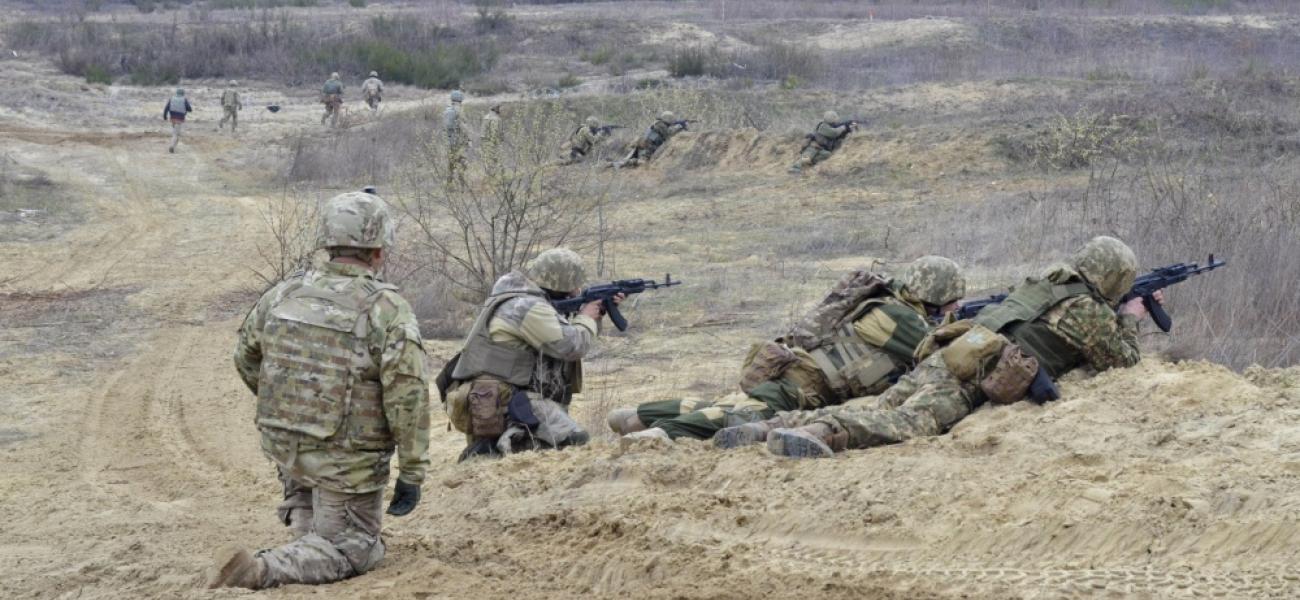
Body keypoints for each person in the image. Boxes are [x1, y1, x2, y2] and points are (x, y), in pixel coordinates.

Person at [727, 236, 1156, 459]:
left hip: (953, 348)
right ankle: (823, 433)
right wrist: (1130, 319)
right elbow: (1123, 360)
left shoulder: (1047, 282)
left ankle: (771, 427)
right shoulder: (1089, 309)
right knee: (913, 421)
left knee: (884, 405)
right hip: (976, 370)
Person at [212, 191, 431, 589]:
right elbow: (408, 397)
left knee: (318, 516)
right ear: (379, 251)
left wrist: (290, 408)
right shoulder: (386, 308)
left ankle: (306, 523)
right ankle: (261, 570)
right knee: (356, 550)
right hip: (346, 465)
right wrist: (413, 470)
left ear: (327, 243)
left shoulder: (283, 294)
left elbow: (246, 358)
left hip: (288, 450)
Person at [610, 256, 966, 442]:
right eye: (951, 301)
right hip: (804, 386)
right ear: (937, 295)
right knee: (744, 415)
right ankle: (659, 433)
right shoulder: (901, 318)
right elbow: (937, 353)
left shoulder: (888, 306)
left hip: (797, 374)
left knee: (733, 405)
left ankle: (642, 414)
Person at [442, 248, 621, 461]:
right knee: (574, 440)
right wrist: (586, 317)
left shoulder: (523, 298)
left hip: (507, 396)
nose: (577, 290)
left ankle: (495, 449)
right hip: (506, 398)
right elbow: (571, 345)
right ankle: (493, 448)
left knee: (553, 447)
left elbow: (570, 335)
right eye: (573, 284)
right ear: (560, 282)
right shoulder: (527, 306)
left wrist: (594, 315)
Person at [615, 111, 687, 168]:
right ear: (668, 118)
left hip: (644, 146)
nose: (673, 120)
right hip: (647, 147)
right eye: (672, 119)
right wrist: (679, 127)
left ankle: (620, 163)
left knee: (634, 161)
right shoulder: (660, 125)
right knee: (643, 163)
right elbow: (669, 135)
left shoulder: (658, 123)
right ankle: (622, 163)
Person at [789, 110, 854, 174]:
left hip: (821, 148)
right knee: (807, 156)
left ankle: (809, 162)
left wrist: (848, 129)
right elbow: (834, 133)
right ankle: (795, 167)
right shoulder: (823, 126)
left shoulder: (831, 126)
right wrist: (843, 127)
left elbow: (837, 135)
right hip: (813, 146)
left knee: (827, 154)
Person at [444, 90, 467, 181]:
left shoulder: (457, 110)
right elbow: (449, 126)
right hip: (454, 142)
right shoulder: (451, 111)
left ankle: (455, 182)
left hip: (458, 141)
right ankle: (454, 183)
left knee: (456, 163)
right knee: (455, 163)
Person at [162, 88, 193, 154]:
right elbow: (190, 109)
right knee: (176, 134)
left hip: (172, 117)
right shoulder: (184, 99)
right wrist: (185, 109)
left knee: (176, 133)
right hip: (179, 118)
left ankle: (174, 147)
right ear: (183, 93)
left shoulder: (172, 98)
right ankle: (172, 146)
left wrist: (165, 116)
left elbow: (166, 108)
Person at [480, 104, 503, 172]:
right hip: (492, 142)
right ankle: (493, 176)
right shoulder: (495, 118)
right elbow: (494, 132)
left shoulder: (486, 117)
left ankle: (488, 175)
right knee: (494, 160)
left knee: (487, 160)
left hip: (485, 142)